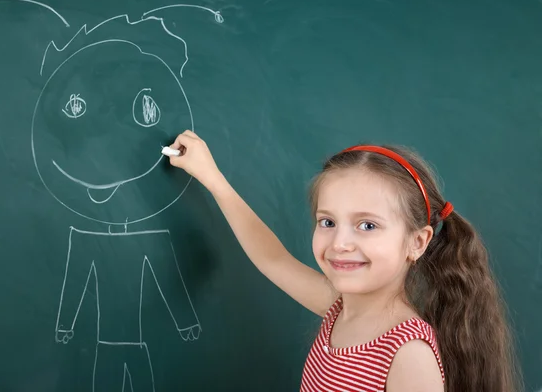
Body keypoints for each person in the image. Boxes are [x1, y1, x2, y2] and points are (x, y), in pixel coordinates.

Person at [166, 130, 522, 392]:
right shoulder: (339, 308)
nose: (340, 243)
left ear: (417, 242)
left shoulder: (408, 353)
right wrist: (212, 178)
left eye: (367, 225)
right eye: (328, 222)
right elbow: (272, 259)